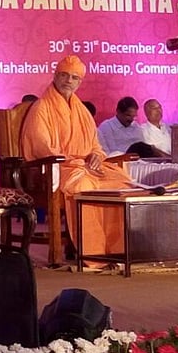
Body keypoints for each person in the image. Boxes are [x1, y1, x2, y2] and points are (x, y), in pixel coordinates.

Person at [21, 55, 132, 262]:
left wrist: (96, 157)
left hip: (83, 166)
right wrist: (77, 160)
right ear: (55, 76)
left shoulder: (82, 111)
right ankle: (93, 252)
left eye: (74, 77)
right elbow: (42, 148)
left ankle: (116, 250)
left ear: (79, 82)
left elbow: (95, 146)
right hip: (56, 169)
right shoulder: (41, 108)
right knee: (84, 183)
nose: (68, 81)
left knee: (121, 182)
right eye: (64, 75)